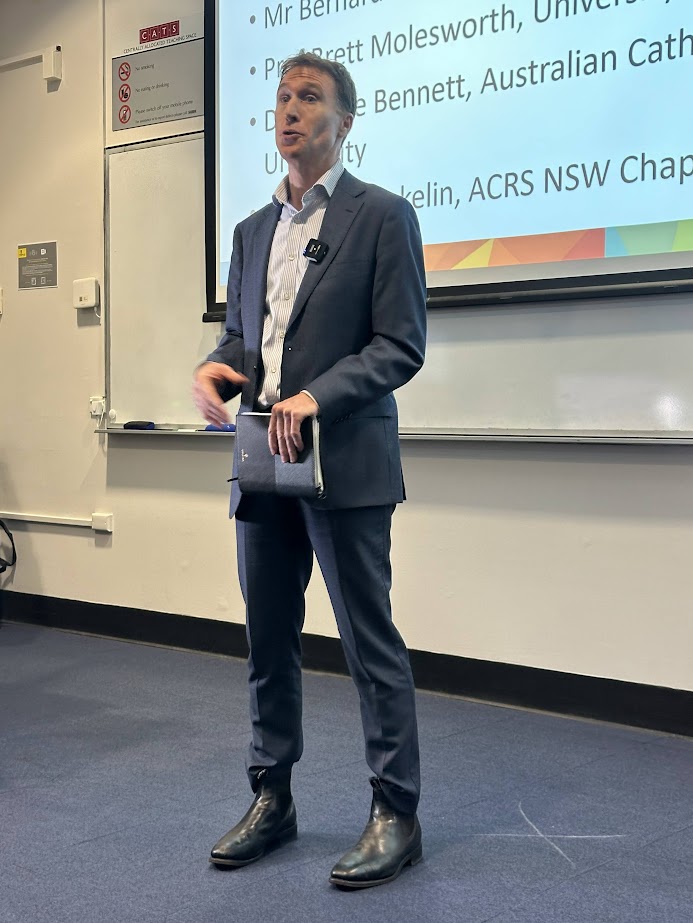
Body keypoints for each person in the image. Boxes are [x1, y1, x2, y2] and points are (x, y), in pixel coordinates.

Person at [192, 51, 427, 889]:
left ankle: (396, 811)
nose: (289, 110)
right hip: (263, 463)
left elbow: (399, 344)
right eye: (282, 97)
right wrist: (214, 369)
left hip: (346, 462)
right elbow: (243, 338)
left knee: (368, 640)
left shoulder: (382, 216)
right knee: (267, 639)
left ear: (344, 120)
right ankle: (272, 796)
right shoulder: (250, 231)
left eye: (308, 98)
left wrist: (315, 397)